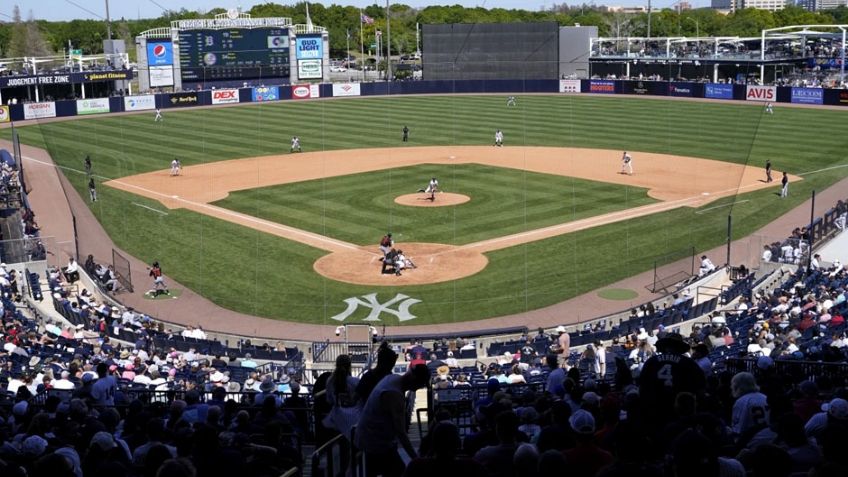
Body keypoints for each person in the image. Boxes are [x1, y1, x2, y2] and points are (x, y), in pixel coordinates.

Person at [355, 364, 431, 477]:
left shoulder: (392, 378)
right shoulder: (395, 395)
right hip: (375, 441)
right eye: (421, 384)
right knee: (398, 471)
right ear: (415, 379)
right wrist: (415, 458)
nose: (420, 387)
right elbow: (401, 432)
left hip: (369, 436)